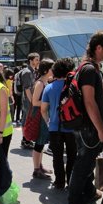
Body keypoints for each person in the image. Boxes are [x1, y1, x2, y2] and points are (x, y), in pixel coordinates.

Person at [68, 31, 103, 204]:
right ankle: (75, 202)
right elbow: (89, 101)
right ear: (98, 47)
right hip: (89, 128)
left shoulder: (89, 67)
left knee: (88, 162)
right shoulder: (89, 69)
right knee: (83, 164)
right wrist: (101, 129)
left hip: (87, 127)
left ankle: (89, 192)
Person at [41, 58, 77, 189]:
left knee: (57, 156)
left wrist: (48, 122)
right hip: (72, 127)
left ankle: (59, 182)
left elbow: (43, 109)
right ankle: (71, 181)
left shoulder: (49, 87)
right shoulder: (74, 86)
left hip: (54, 127)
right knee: (72, 155)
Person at [31, 58, 54, 179]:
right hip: (39, 115)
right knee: (39, 143)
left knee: (41, 143)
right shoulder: (40, 83)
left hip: (43, 114)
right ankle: (36, 169)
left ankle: (40, 166)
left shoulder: (45, 82)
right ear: (46, 70)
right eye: (52, 67)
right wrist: (48, 102)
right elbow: (35, 102)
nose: (54, 70)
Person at [19, 53, 40, 149]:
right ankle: (25, 140)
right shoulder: (27, 72)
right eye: (36, 59)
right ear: (30, 60)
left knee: (27, 119)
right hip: (28, 100)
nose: (38, 61)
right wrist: (32, 102)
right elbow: (27, 89)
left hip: (30, 100)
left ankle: (27, 139)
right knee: (26, 119)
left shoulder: (33, 71)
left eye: (38, 59)